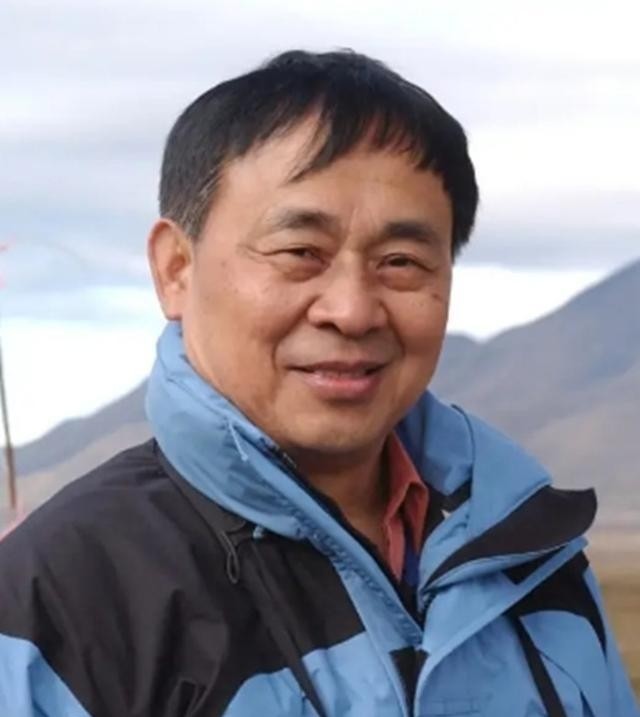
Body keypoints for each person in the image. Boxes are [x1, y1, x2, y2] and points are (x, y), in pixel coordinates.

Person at [0, 50, 637, 717]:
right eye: (300, 252)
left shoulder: (533, 557)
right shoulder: (55, 610)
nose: (353, 310)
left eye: (401, 261)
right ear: (176, 269)